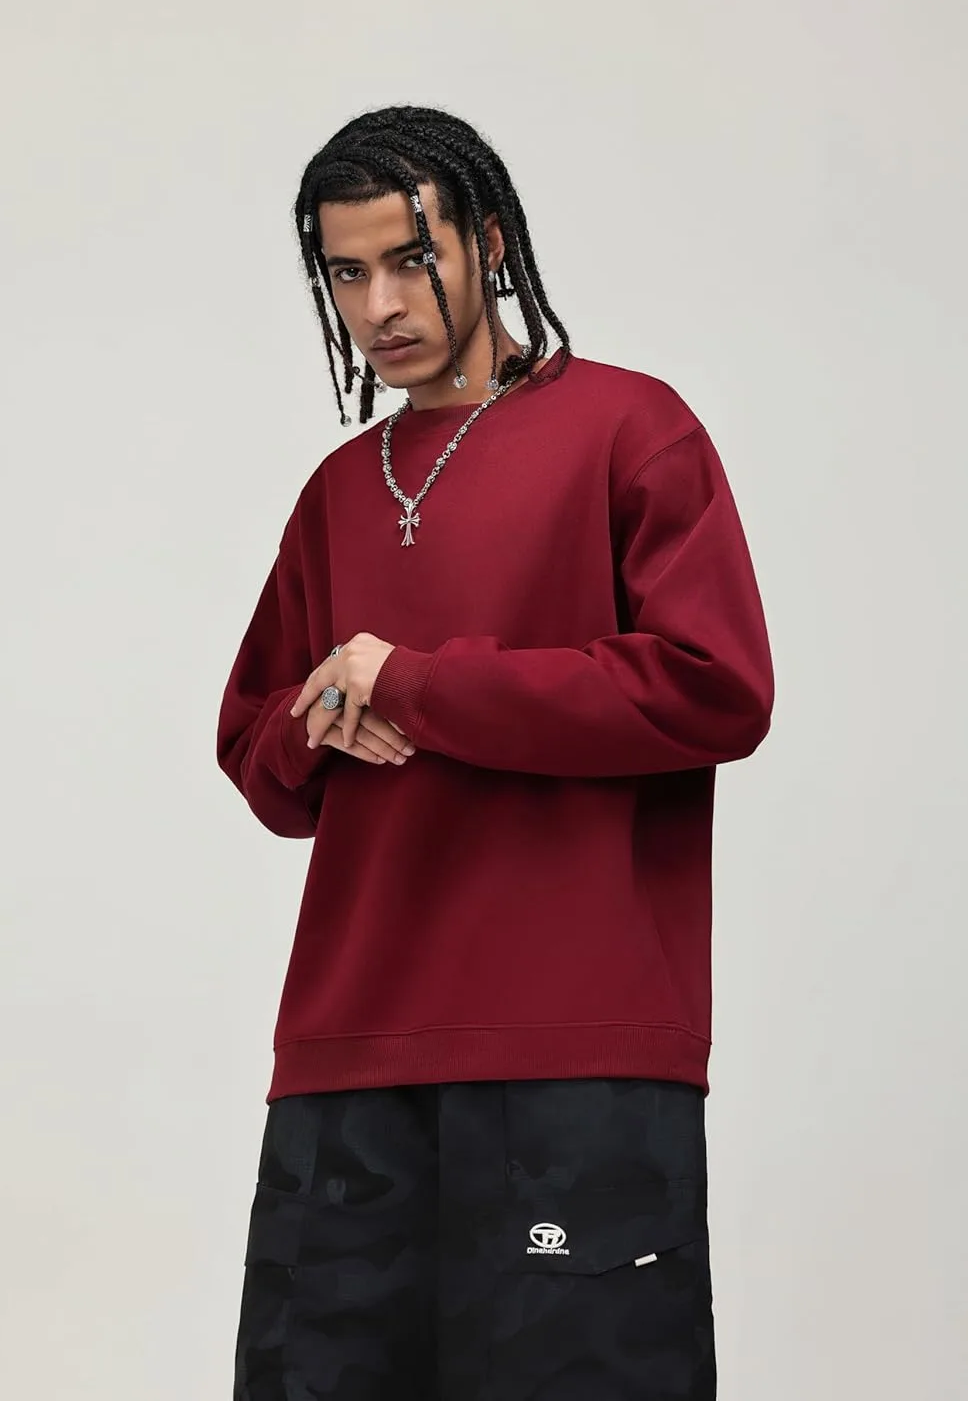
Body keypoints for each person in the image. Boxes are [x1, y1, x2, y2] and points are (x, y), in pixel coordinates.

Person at [216, 103, 774, 1401]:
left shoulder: (631, 429)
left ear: (493, 242)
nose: (380, 305)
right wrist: (318, 712)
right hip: (348, 1052)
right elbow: (255, 745)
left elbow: (717, 689)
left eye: (412, 260)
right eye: (346, 273)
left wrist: (419, 682)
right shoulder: (339, 490)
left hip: (575, 1050)